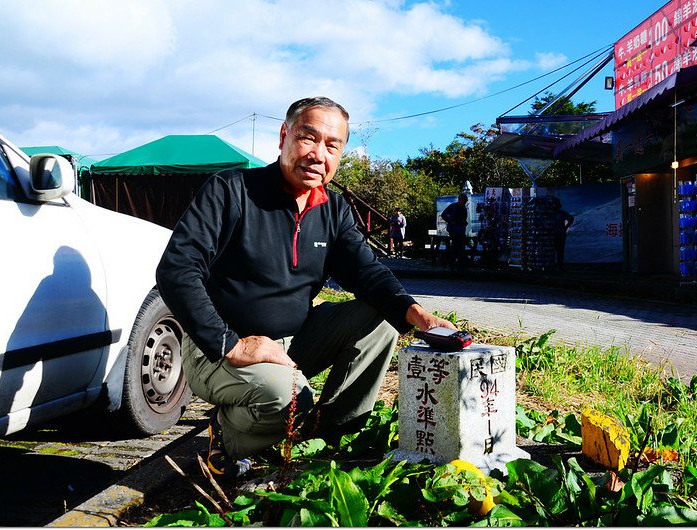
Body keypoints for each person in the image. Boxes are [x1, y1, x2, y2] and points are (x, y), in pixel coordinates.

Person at [156, 96, 456, 478]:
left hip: (293, 341)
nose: (318, 154)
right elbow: (176, 270)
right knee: (289, 397)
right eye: (307, 138)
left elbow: (367, 273)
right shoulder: (231, 191)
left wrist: (414, 313)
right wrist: (232, 343)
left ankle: (325, 437)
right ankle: (229, 437)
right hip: (216, 347)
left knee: (382, 319)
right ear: (284, 136)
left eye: (332, 146)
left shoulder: (332, 209)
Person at [441, 193, 469, 271]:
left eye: (465, 201)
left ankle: (460, 265)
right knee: (455, 247)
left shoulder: (464, 208)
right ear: (460, 200)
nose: (464, 203)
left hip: (461, 230)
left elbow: (463, 219)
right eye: (464, 201)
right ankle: (451, 264)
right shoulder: (452, 206)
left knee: (461, 247)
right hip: (453, 230)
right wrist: (450, 221)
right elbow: (443, 215)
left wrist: (464, 223)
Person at [553, 198, 575, 271]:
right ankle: (559, 267)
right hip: (558, 234)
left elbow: (571, 218)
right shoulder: (561, 213)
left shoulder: (560, 213)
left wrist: (565, 227)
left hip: (557, 234)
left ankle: (558, 266)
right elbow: (571, 219)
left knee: (558, 251)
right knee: (559, 251)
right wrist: (565, 228)